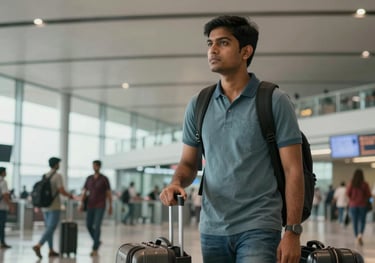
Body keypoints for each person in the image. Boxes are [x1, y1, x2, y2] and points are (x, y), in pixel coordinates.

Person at [159, 15, 304, 263]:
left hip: (259, 225)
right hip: (212, 228)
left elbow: (293, 170)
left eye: (223, 43)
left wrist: (292, 231)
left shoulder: (273, 100)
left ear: (246, 51)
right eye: (210, 43)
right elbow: (188, 163)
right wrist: (176, 182)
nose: (212, 50)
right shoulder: (199, 104)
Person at [32, 157, 74, 259]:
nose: (59, 165)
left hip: (45, 206)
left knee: (48, 228)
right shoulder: (58, 176)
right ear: (55, 165)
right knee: (51, 227)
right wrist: (70, 195)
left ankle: (51, 250)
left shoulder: (45, 175)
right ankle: (39, 245)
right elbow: (61, 190)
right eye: (58, 163)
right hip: (54, 206)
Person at [79, 160, 112, 257]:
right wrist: (81, 203)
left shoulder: (104, 179)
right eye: (93, 166)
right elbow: (85, 192)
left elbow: (108, 193)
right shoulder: (89, 178)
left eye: (96, 166)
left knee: (97, 226)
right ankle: (97, 241)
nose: (94, 167)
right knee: (88, 225)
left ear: (99, 167)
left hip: (100, 205)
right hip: (90, 205)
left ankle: (95, 249)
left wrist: (110, 206)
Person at [346, 168, 371, 246]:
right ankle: (360, 235)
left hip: (353, 205)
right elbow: (369, 195)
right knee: (362, 221)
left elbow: (347, 193)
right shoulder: (365, 184)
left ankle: (356, 236)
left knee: (355, 221)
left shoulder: (352, 183)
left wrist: (352, 199)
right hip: (362, 205)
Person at [0, 167, 14, 249]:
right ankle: (2, 242)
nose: (6, 173)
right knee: (1, 226)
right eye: (5, 172)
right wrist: (10, 205)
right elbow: (5, 195)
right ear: (2, 172)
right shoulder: (3, 182)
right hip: (1, 208)